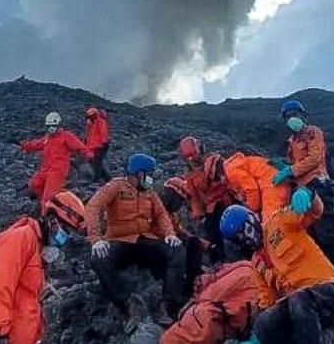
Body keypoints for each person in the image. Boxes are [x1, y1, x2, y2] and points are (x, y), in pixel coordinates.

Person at [219, 201, 334, 344]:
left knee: (299, 300)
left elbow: (314, 211)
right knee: (264, 322)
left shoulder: (279, 222)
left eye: (247, 230)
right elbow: (267, 302)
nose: (248, 239)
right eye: (240, 239)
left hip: (330, 291)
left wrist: (309, 196)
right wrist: (257, 336)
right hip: (301, 310)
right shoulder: (257, 264)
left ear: (253, 219)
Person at [272, 100, 334, 298]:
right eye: (288, 116)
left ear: (303, 115)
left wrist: (291, 169)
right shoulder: (292, 141)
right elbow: (298, 164)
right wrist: (285, 167)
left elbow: (315, 158)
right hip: (302, 190)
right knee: (314, 239)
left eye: (295, 114)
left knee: (327, 238)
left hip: (318, 186)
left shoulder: (313, 132)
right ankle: (330, 283)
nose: (292, 118)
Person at [0, 191, 87, 344]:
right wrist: (0, 334)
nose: (65, 239)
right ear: (52, 220)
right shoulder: (20, 239)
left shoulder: (38, 248)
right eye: (65, 231)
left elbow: (29, 299)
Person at [86, 153, 185, 329]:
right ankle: (127, 304)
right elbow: (93, 207)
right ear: (139, 173)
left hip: (146, 241)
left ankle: (168, 303)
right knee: (98, 258)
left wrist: (170, 234)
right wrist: (96, 239)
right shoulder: (116, 186)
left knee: (177, 250)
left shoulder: (149, 192)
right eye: (149, 174)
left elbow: (161, 213)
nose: (152, 178)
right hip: (120, 242)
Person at [160, 260, 259, 344]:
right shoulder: (250, 276)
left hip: (199, 316)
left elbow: (207, 281)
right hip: (205, 324)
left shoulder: (246, 267)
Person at [20, 111, 92, 212]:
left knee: (48, 198)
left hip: (58, 171)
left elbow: (80, 146)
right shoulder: (47, 138)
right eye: (49, 126)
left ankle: (46, 215)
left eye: (53, 125)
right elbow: (37, 144)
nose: (50, 128)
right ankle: (55, 199)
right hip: (45, 169)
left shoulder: (66, 136)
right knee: (34, 185)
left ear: (58, 125)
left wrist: (89, 154)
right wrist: (26, 145)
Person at [178, 136, 236, 261]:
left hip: (227, 200)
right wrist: (198, 215)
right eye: (189, 158)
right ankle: (220, 260)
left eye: (194, 155)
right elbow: (195, 198)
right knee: (211, 230)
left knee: (235, 225)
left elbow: (228, 178)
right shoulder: (190, 175)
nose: (193, 160)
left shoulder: (214, 161)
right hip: (212, 207)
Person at [159, 176, 206, 297]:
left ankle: (192, 282)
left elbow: (181, 232)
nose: (181, 204)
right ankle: (172, 297)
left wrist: (207, 245)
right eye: (180, 200)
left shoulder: (171, 215)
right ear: (171, 194)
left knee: (193, 243)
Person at [224, 152, 291, 221]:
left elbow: (252, 189)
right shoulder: (235, 164)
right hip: (278, 181)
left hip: (273, 186)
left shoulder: (231, 172)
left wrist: (252, 209)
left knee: (270, 224)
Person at [84, 107, 111, 181]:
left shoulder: (100, 121)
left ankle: (98, 178)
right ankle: (106, 178)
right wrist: (86, 142)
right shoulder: (91, 124)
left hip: (100, 146)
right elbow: (89, 135)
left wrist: (104, 142)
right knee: (95, 162)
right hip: (94, 146)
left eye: (90, 116)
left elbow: (103, 132)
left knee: (97, 162)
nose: (89, 118)